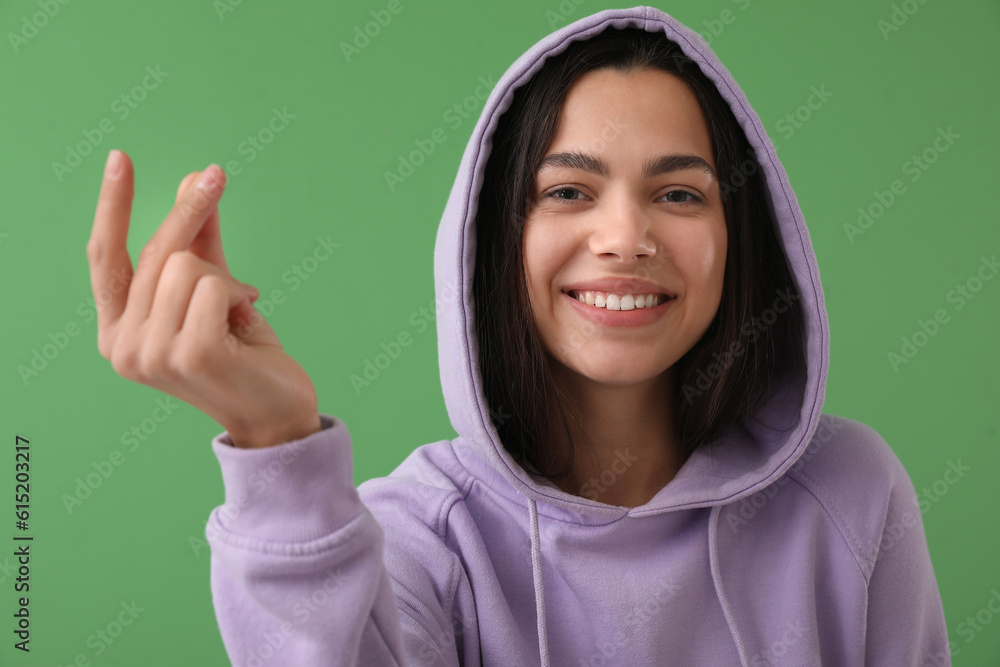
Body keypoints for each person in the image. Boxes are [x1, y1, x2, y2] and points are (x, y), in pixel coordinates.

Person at [87, 6, 951, 666]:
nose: (626, 238)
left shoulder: (851, 494)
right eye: (568, 192)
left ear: (741, 241)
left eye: (680, 194)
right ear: (493, 241)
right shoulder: (422, 535)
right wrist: (275, 447)